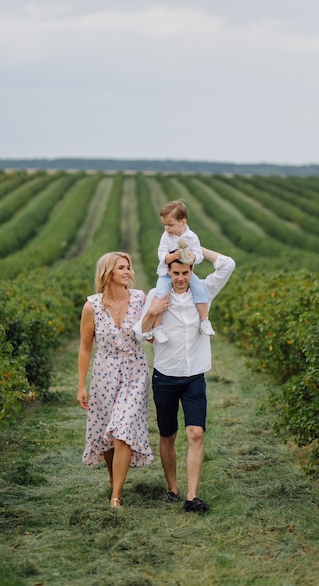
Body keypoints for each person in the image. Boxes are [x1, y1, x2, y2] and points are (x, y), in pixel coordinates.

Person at [134, 247, 236, 513]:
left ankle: (192, 496)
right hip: (165, 377)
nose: (181, 277)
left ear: (192, 270)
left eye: (186, 272)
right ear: (168, 271)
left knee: (196, 433)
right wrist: (151, 312)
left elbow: (227, 264)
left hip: (194, 378)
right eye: (176, 272)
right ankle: (172, 488)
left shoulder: (203, 292)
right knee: (168, 435)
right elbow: (138, 334)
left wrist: (193, 247)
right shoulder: (157, 295)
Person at [77, 252, 153, 509]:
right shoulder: (92, 307)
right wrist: (81, 385)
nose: (127, 271)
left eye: (129, 267)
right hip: (104, 373)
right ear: (108, 272)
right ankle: (113, 480)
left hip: (135, 371)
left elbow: (151, 333)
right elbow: (86, 348)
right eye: (121, 267)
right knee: (106, 434)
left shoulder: (140, 299)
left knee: (123, 431)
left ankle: (116, 496)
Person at [152, 200, 215, 343]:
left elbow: (199, 255)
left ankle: (204, 321)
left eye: (170, 224)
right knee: (161, 296)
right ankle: (157, 328)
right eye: (165, 224)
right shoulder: (166, 236)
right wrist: (170, 257)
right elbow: (161, 254)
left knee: (200, 291)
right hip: (167, 273)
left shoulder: (192, 237)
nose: (167, 228)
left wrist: (193, 256)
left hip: (185, 272)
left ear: (183, 222)